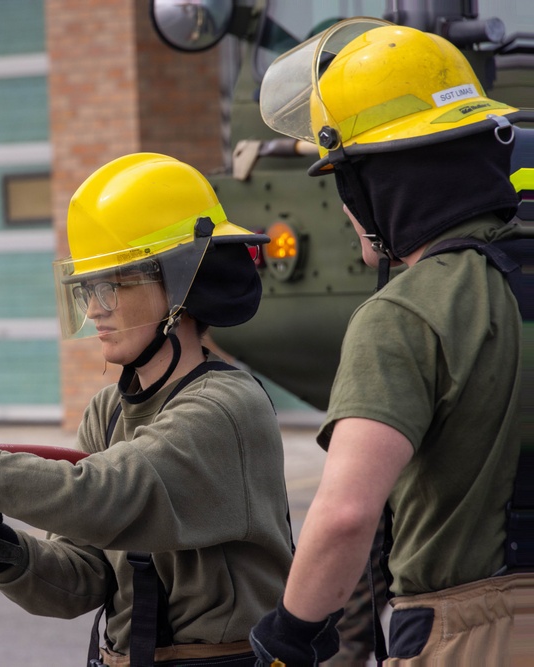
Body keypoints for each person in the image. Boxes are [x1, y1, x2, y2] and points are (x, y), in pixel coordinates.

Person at [0, 153, 295, 666]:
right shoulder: (110, 412)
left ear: (179, 283)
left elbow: (108, 497)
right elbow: (79, 581)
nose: (94, 309)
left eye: (112, 284)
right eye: (88, 288)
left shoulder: (227, 407)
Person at [249, 18, 532, 665]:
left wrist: (290, 635)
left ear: (373, 186)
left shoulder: (406, 313)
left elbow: (348, 512)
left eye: (343, 183)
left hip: (476, 631)